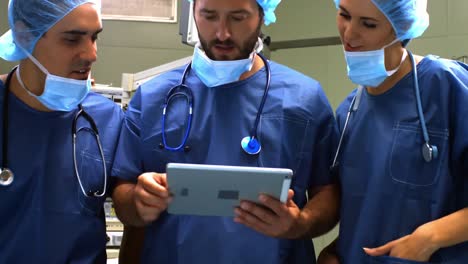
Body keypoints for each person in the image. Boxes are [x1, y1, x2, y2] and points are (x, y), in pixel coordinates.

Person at [111, 0, 340, 263]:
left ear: (263, 14)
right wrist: (137, 202)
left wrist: (301, 223)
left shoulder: (304, 100)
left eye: (238, 17)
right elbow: (123, 192)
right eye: (209, 16)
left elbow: (328, 191)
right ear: (193, 12)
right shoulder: (153, 97)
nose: (222, 33)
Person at [318, 0, 468, 263]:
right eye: (344, 15)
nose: (349, 33)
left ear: (402, 27)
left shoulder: (446, 86)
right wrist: (334, 252)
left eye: (368, 24)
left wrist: (429, 237)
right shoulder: (349, 112)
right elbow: (374, 211)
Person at [0, 0, 123, 262]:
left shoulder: (107, 119)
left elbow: (131, 208)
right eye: (72, 39)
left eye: (94, 37)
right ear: (24, 35)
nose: (91, 54)